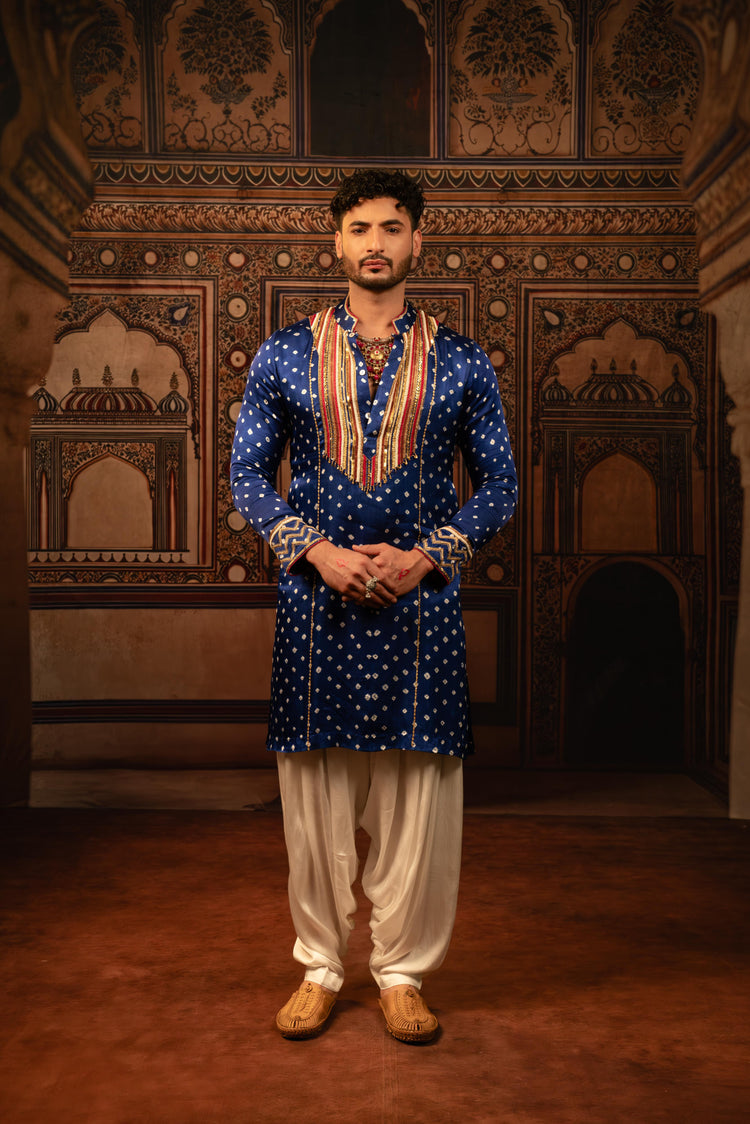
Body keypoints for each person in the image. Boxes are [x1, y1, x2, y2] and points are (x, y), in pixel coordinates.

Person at [230, 169, 517, 1044]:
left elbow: (499, 484)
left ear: (418, 241)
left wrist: (426, 557)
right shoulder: (281, 353)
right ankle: (320, 966)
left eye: (393, 228)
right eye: (360, 229)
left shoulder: (463, 360)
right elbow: (246, 473)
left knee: (416, 799)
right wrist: (314, 550)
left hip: (420, 610)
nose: (376, 244)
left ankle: (401, 974)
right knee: (314, 800)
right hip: (315, 610)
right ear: (337, 242)